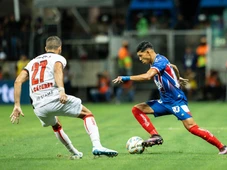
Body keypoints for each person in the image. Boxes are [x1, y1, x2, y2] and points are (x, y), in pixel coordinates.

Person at [10, 36, 118, 159]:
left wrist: (17, 105)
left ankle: (75, 153)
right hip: (54, 98)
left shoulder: (32, 62)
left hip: (38, 107)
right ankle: (97, 146)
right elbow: (57, 70)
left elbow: (18, 81)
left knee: (56, 125)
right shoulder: (58, 58)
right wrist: (61, 90)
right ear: (60, 48)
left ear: (46, 48)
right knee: (87, 114)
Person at [112, 41, 227, 155]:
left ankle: (223, 147)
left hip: (176, 101)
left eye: (141, 56)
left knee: (192, 127)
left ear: (148, 52)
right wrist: (178, 77)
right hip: (164, 102)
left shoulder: (159, 61)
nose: (140, 59)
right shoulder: (155, 62)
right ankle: (155, 135)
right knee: (137, 109)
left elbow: (147, 76)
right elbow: (174, 67)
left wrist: (126, 78)